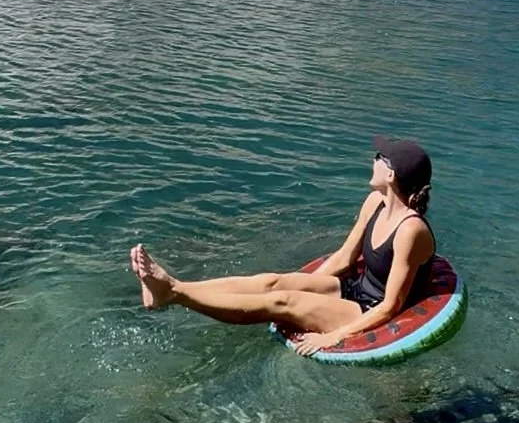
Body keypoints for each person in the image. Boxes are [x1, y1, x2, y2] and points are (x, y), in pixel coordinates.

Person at [129, 136, 436, 357]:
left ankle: (174, 293)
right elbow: (345, 257)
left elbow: (391, 306)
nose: (373, 160)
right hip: (357, 289)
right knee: (273, 282)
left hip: (369, 310)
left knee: (283, 302)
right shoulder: (375, 203)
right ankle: (172, 288)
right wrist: (307, 286)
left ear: (392, 175)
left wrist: (333, 336)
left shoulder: (411, 231)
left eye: (380, 158)